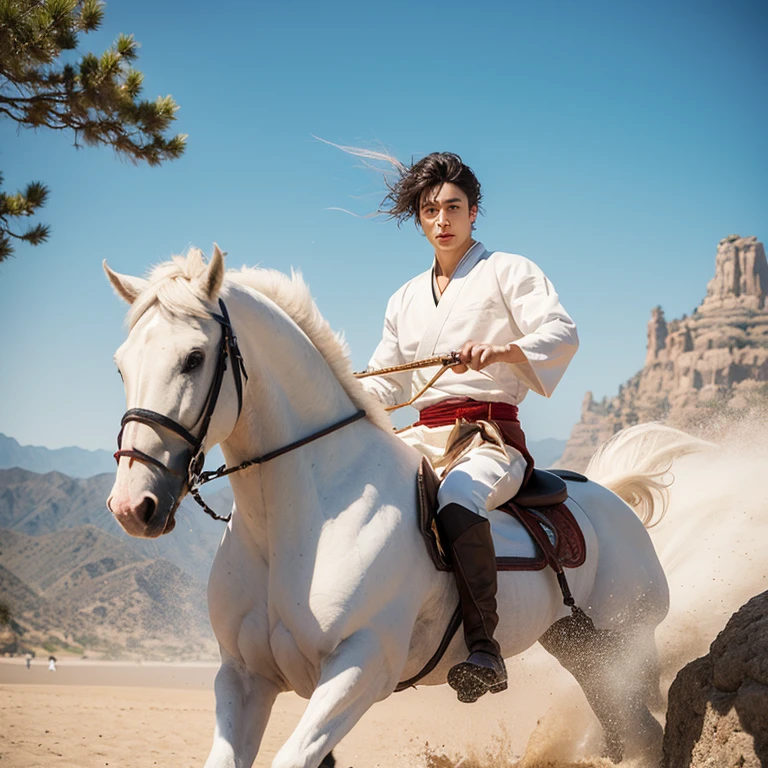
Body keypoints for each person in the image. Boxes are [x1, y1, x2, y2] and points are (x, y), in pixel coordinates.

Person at [359, 151, 579, 703]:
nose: (442, 220)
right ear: (419, 219)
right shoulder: (404, 298)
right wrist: (345, 394)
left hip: (489, 436)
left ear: (474, 212)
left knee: (456, 495)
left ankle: (485, 648)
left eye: (453, 207)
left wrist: (504, 349)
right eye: (430, 210)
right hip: (420, 435)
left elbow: (560, 331)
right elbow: (392, 383)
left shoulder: (510, 270)